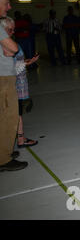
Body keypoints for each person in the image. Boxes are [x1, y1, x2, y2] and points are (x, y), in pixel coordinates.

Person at [3, 21, 39, 148]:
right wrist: (26, 64)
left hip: (17, 83)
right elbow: (10, 68)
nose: (13, 32)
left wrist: (27, 61)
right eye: (10, 30)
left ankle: (20, 138)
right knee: (14, 113)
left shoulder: (12, 44)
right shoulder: (5, 46)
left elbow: (16, 62)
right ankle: (18, 139)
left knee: (18, 112)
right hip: (11, 84)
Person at [0, 12, 28, 171]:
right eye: (10, 30)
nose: (13, 33)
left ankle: (4, 152)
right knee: (8, 117)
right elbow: (12, 50)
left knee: (6, 117)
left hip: (5, 77)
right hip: (3, 78)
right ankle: (3, 159)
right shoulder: (1, 33)